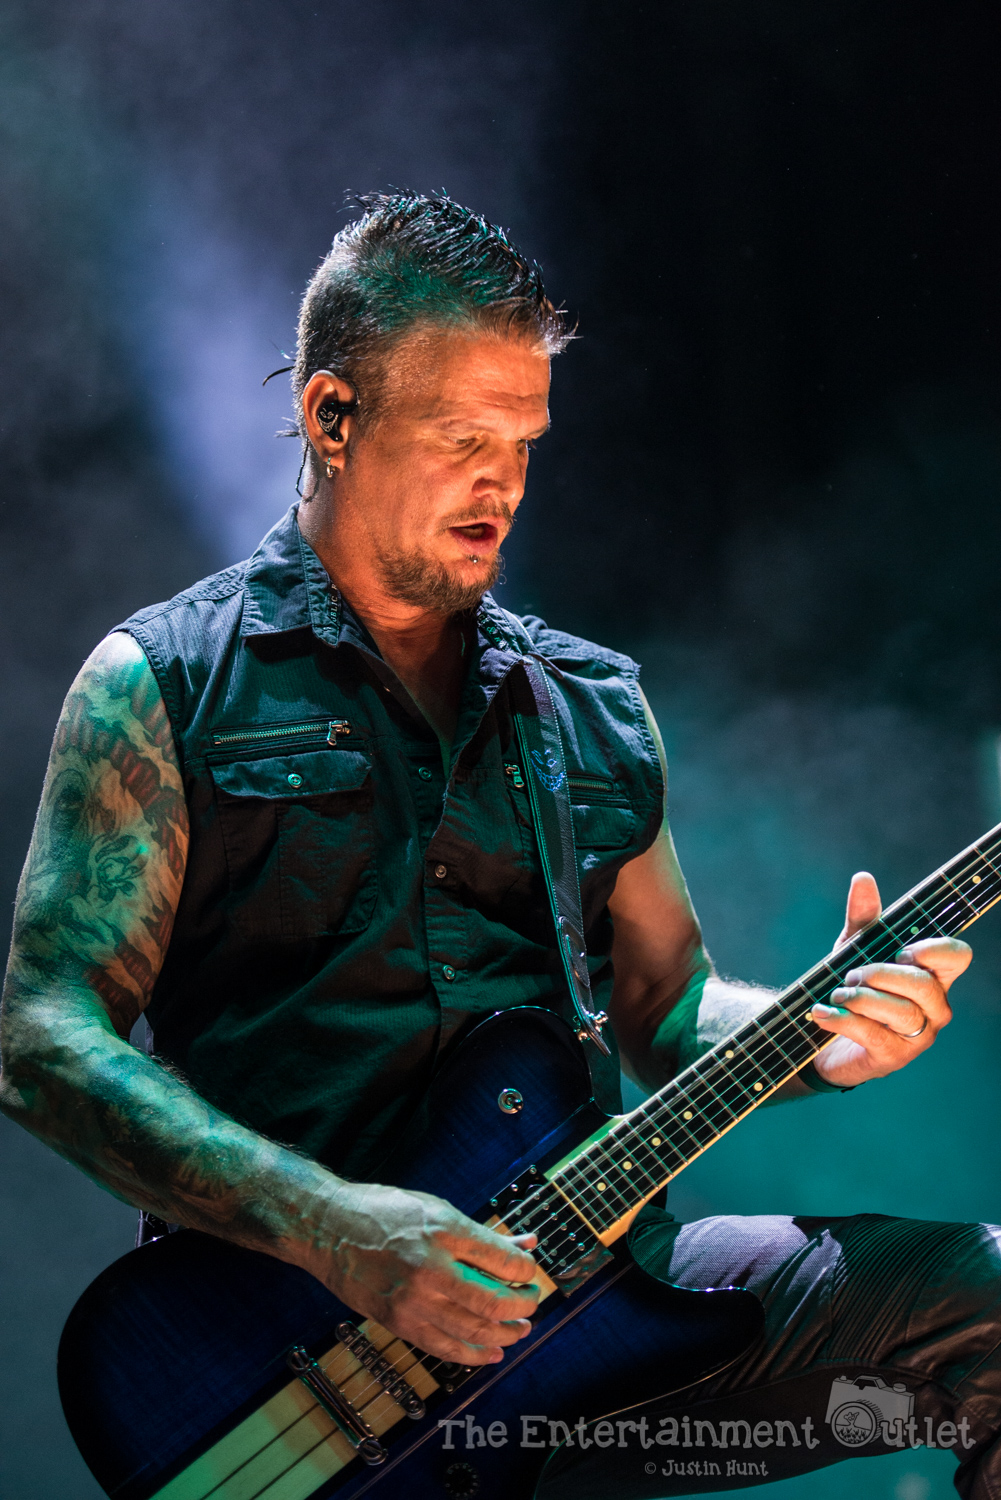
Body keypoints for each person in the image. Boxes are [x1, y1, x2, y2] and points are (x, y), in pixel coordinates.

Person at [0, 193, 995, 1498]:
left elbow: (668, 1007)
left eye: (524, 442)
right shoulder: (165, 683)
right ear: (333, 417)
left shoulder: (588, 703)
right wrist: (340, 1232)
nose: (505, 485)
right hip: (299, 1372)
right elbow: (42, 1039)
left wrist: (822, 1032)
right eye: (464, 439)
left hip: (600, 1315)